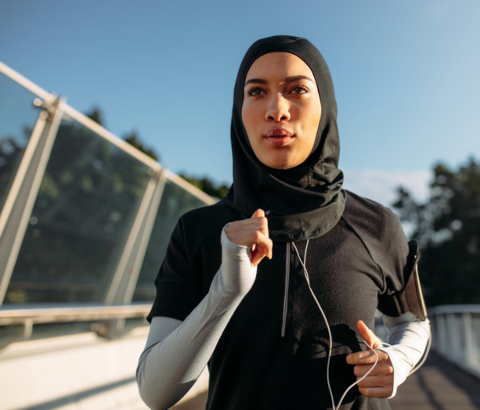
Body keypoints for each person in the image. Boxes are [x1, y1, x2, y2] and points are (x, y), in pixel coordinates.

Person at [136, 35, 431, 410]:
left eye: (297, 90)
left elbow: (412, 322)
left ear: (325, 107)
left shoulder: (377, 224)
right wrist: (226, 290)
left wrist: (399, 361)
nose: (277, 109)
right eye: (256, 91)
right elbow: (154, 392)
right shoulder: (197, 231)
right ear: (238, 110)